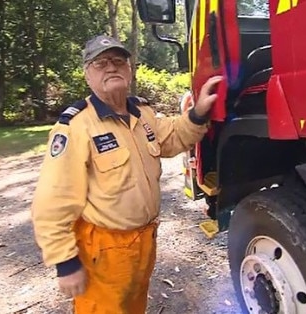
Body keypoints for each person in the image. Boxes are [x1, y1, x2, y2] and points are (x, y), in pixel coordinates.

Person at [31, 34, 222, 313]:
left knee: (134, 306)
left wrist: (198, 113)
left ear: (129, 70)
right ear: (87, 75)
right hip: (103, 249)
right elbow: (52, 201)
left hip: (145, 241)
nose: (111, 67)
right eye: (101, 63)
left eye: (119, 61)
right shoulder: (76, 127)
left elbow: (171, 137)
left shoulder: (142, 113)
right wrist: (65, 261)